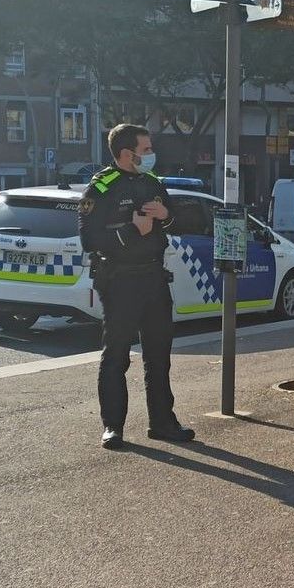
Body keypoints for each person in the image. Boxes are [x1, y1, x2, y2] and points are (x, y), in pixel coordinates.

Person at [79, 124, 193, 449]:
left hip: (154, 278)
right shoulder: (101, 187)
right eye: (146, 149)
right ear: (127, 153)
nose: (151, 154)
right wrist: (131, 231)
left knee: (159, 354)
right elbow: (88, 238)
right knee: (116, 355)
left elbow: (177, 223)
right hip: (119, 280)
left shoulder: (153, 183)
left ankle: (163, 423)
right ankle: (113, 426)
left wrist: (166, 214)